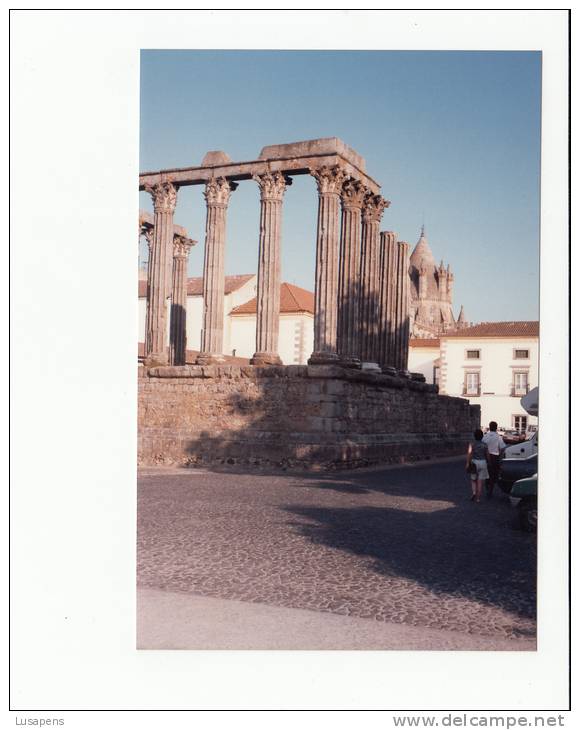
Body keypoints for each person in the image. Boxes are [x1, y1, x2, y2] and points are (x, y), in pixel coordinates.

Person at [482, 421, 506, 498]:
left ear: (489, 427)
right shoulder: (498, 437)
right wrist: (499, 455)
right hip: (495, 457)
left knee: (487, 474)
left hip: (486, 457)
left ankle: (487, 488)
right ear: (496, 428)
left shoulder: (485, 436)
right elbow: (503, 447)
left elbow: (482, 446)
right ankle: (490, 491)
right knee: (493, 475)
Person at [466, 428, 489, 503]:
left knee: (473, 479)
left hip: (474, 462)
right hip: (483, 462)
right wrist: (489, 462)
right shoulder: (485, 445)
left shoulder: (472, 444)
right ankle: (478, 498)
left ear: (474, 436)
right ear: (482, 436)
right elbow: (487, 455)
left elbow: (469, 454)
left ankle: (474, 492)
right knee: (480, 481)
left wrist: (467, 463)